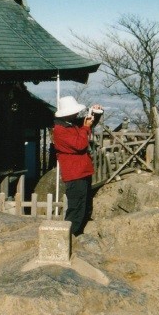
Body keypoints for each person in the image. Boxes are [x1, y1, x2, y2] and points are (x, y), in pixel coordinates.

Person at [53, 96, 103, 236]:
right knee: (76, 208)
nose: (77, 114)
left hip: (81, 171)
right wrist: (86, 127)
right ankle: (69, 236)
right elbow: (80, 144)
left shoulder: (70, 124)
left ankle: (77, 234)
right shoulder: (60, 130)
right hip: (74, 174)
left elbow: (89, 124)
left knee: (85, 206)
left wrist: (96, 112)